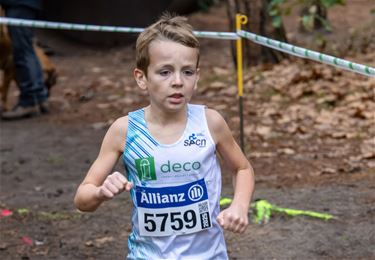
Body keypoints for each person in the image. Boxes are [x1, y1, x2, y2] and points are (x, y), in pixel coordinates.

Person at [74, 13, 255, 259]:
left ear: (197, 77)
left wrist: (240, 206)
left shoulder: (210, 122)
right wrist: (99, 192)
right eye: (165, 72)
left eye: (188, 72)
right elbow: (82, 199)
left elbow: (243, 168)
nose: (178, 82)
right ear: (142, 78)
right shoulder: (124, 130)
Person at [1, 0, 49, 120]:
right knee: (27, 50)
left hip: (20, 4)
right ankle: (39, 98)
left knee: (22, 52)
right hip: (26, 4)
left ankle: (29, 101)